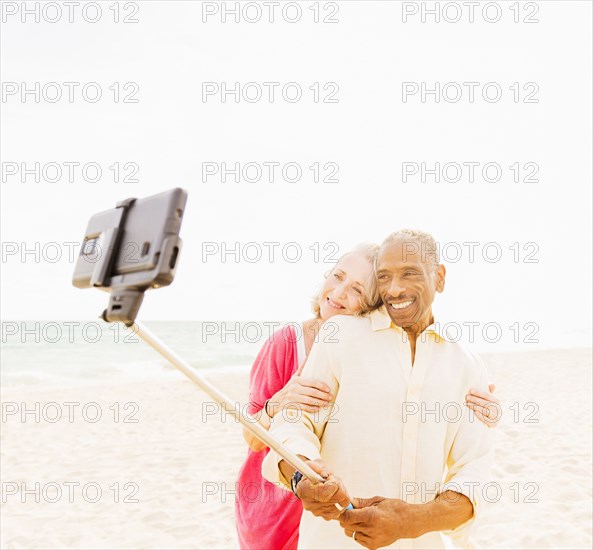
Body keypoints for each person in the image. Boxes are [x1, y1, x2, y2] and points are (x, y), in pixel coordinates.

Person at [237, 239, 499, 550]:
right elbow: (265, 436)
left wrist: (413, 519)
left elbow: (473, 466)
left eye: (359, 289)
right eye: (337, 276)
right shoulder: (301, 342)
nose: (340, 293)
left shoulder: (459, 362)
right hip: (276, 504)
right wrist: (278, 409)